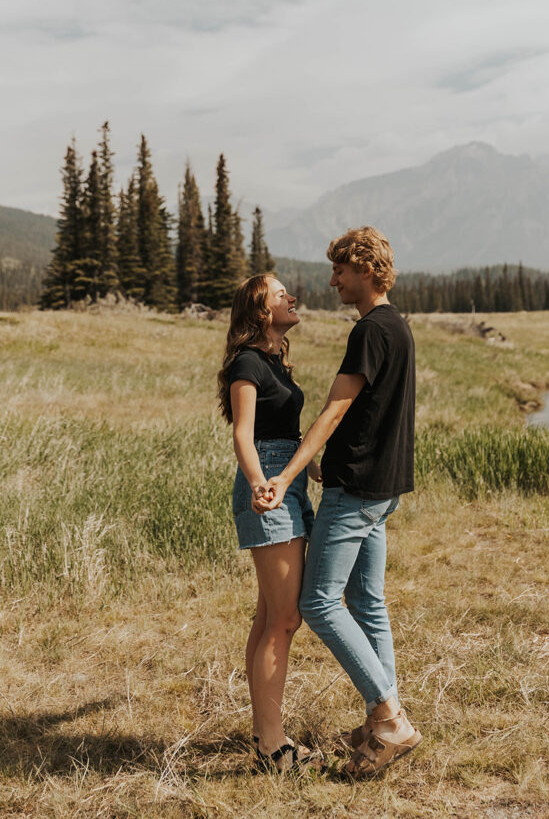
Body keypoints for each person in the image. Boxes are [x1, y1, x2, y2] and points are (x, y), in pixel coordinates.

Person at [254, 227, 422, 777]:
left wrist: (286, 474)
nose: (333, 281)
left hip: (355, 492)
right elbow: (376, 417)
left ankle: (390, 718)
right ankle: (381, 724)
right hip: (383, 487)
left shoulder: (370, 330)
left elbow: (334, 410)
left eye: (341, 272)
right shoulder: (398, 327)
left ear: (367, 270)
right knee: (368, 602)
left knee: (320, 604)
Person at [218, 273, 322, 774]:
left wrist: (308, 469)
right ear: (261, 310)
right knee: (285, 619)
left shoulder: (276, 361)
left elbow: (286, 428)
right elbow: (243, 434)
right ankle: (273, 747)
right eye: (282, 294)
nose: (292, 298)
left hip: (288, 481)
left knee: (268, 617)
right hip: (270, 485)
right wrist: (264, 484)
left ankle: (263, 731)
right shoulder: (247, 362)